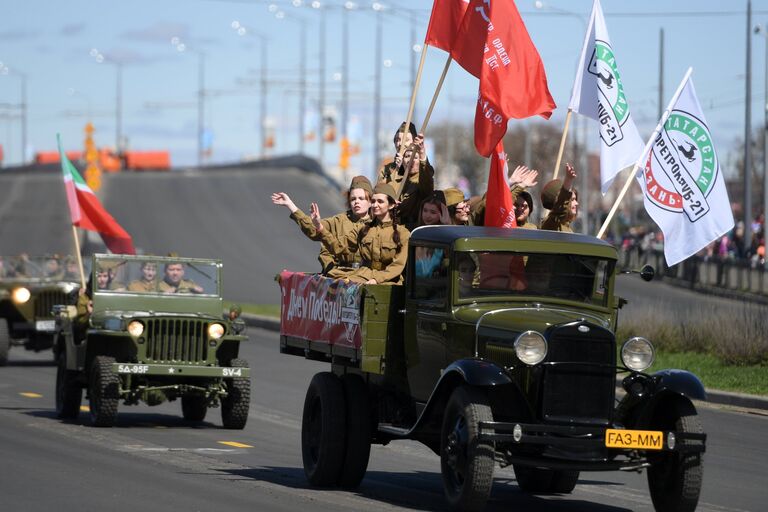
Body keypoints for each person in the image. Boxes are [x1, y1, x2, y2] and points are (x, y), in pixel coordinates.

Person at [311, 182, 410, 285]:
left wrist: (377, 280)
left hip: (389, 280)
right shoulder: (364, 229)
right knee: (335, 276)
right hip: (365, 275)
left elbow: (398, 266)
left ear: (391, 205)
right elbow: (340, 247)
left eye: (380, 201)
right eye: (373, 201)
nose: (375, 205)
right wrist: (320, 227)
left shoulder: (402, 233)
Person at [272, 175, 372, 274]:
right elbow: (313, 229)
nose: (356, 202)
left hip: (368, 276)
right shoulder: (339, 221)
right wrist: (291, 205)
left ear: (370, 201)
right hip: (341, 276)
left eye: (361, 198)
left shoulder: (378, 224)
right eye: (353, 199)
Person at [376, 122, 434, 230]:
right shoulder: (388, 170)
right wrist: (395, 170)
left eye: (405, 140)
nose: (400, 144)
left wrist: (421, 153)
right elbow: (381, 195)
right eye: (397, 140)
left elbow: (427, 184)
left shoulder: (422, 170)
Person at [540, 163, 578, 232]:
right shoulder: (551, 225)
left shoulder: (567, 227)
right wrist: (568, 181)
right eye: (572, 200)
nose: (576, 203)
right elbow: (560, 208)